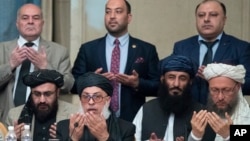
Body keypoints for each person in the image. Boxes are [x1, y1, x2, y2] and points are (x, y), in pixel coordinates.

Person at [71, 0, 160, 122]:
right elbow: (73, 84)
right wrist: (91, 81)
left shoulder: (146, 50)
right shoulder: (88, 49)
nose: (112, 16)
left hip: (132, 120)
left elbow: (159, 86)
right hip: (95, 119)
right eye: (108, 12)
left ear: (129, 18)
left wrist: (137, 83)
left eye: (118, 11)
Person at [0, 3, 74, 122]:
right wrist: (10, 65)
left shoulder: (60, 51)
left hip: (44, 120)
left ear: (42, 23)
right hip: (5, 119)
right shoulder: (2, 49)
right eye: (25, 18)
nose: (30, 22)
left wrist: (46, 68)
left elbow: (68, 85)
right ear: (17, 23)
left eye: (36, 18)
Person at [172, 0, 250, 105]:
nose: (206, 19)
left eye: (213, 15)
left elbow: (248, 84)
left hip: (225, 114)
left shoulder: (241, 47)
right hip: (188, 113)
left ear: (224, 19)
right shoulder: (181, 47)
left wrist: (217, 78)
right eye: (201, 15)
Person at [133, 55, 204, 141]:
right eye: (171, 77)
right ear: (162, 79)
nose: (176, 84)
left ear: (190, 82)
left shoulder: (201, 113)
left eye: (182, 78)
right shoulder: (147, 109)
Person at [57, 72, 135, 141]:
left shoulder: (126, 129)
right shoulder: (63, 127)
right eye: (86, 97)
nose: (91, 102)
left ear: (108, 100)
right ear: (80, 100)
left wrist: (104, 137)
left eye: (97, 97)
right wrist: (73, 138)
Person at [5, 69, 78, 141]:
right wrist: (14, 139)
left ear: (57, 93)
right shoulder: (14, 116)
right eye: (37, 94)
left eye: (48, 94)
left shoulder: (73, 114)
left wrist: (69, 138)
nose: (42, 100)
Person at [188, 63, 250, 141]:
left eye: (227, 90)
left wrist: (228, 135)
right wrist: (195, 137)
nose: (220, 97)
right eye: (214, 90)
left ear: (238, 87)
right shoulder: (198, 118)